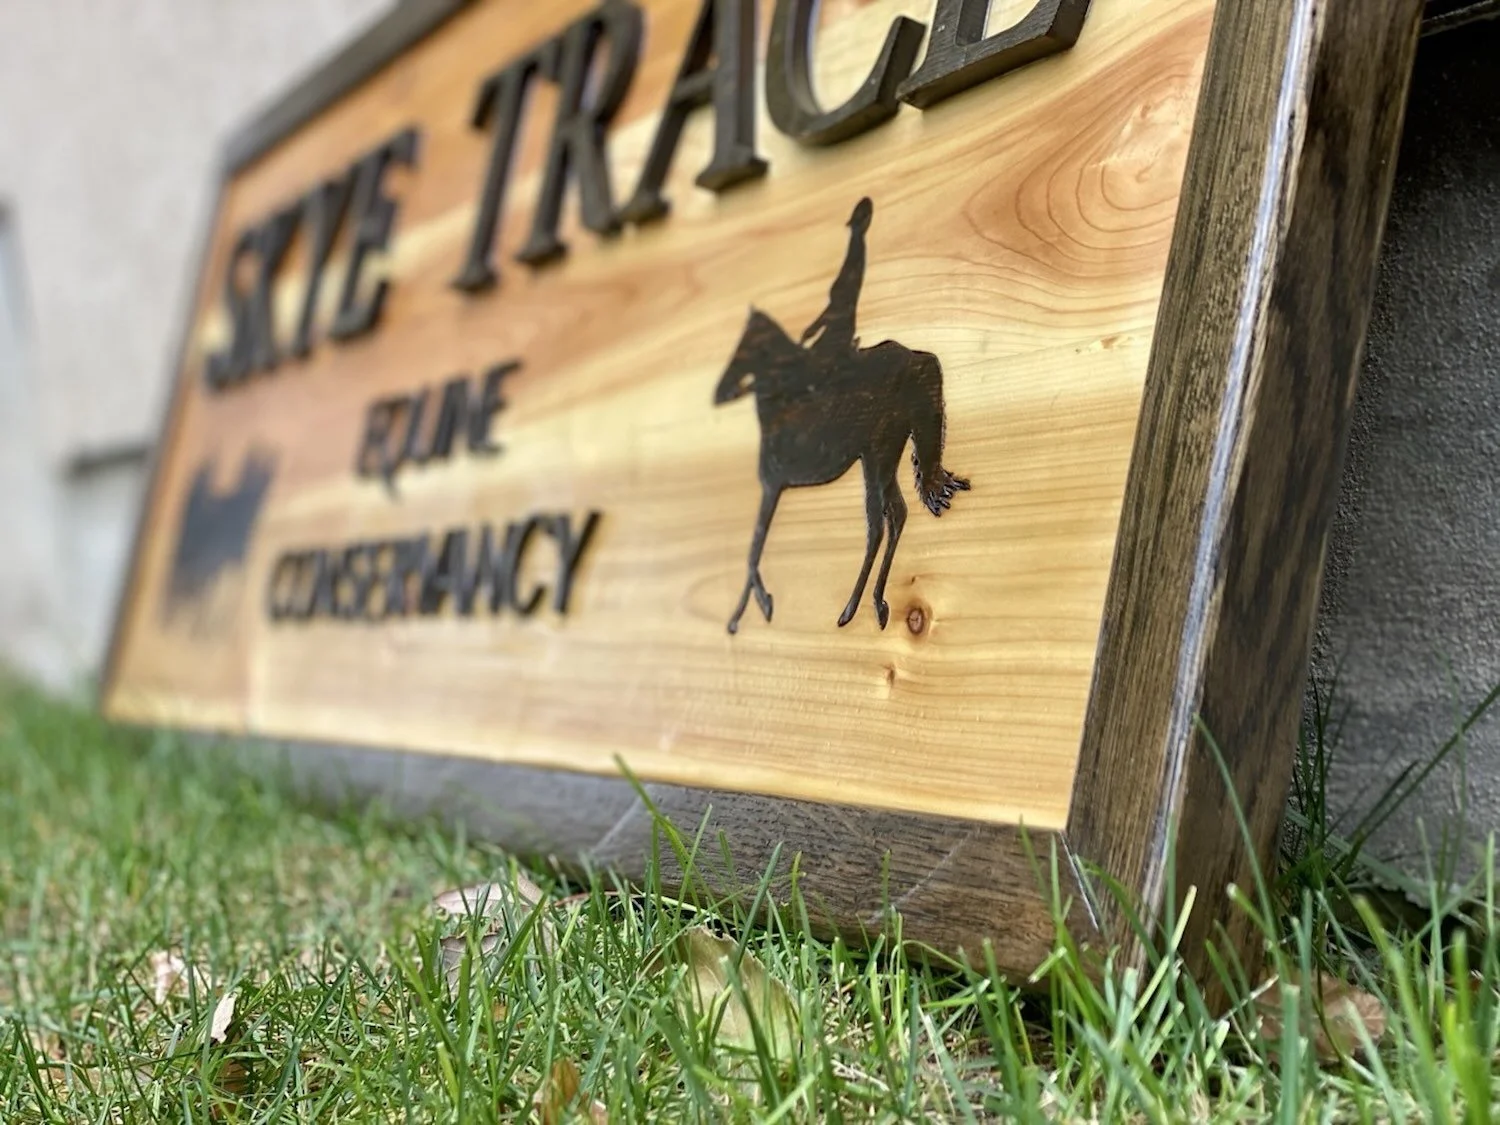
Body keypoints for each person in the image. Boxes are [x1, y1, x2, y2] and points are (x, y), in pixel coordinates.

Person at [800, 197, 874, 366]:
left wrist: (814, 328)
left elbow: (841, 302)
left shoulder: (857, 248)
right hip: (837, 326)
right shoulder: (855, 246)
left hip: (839, 330)